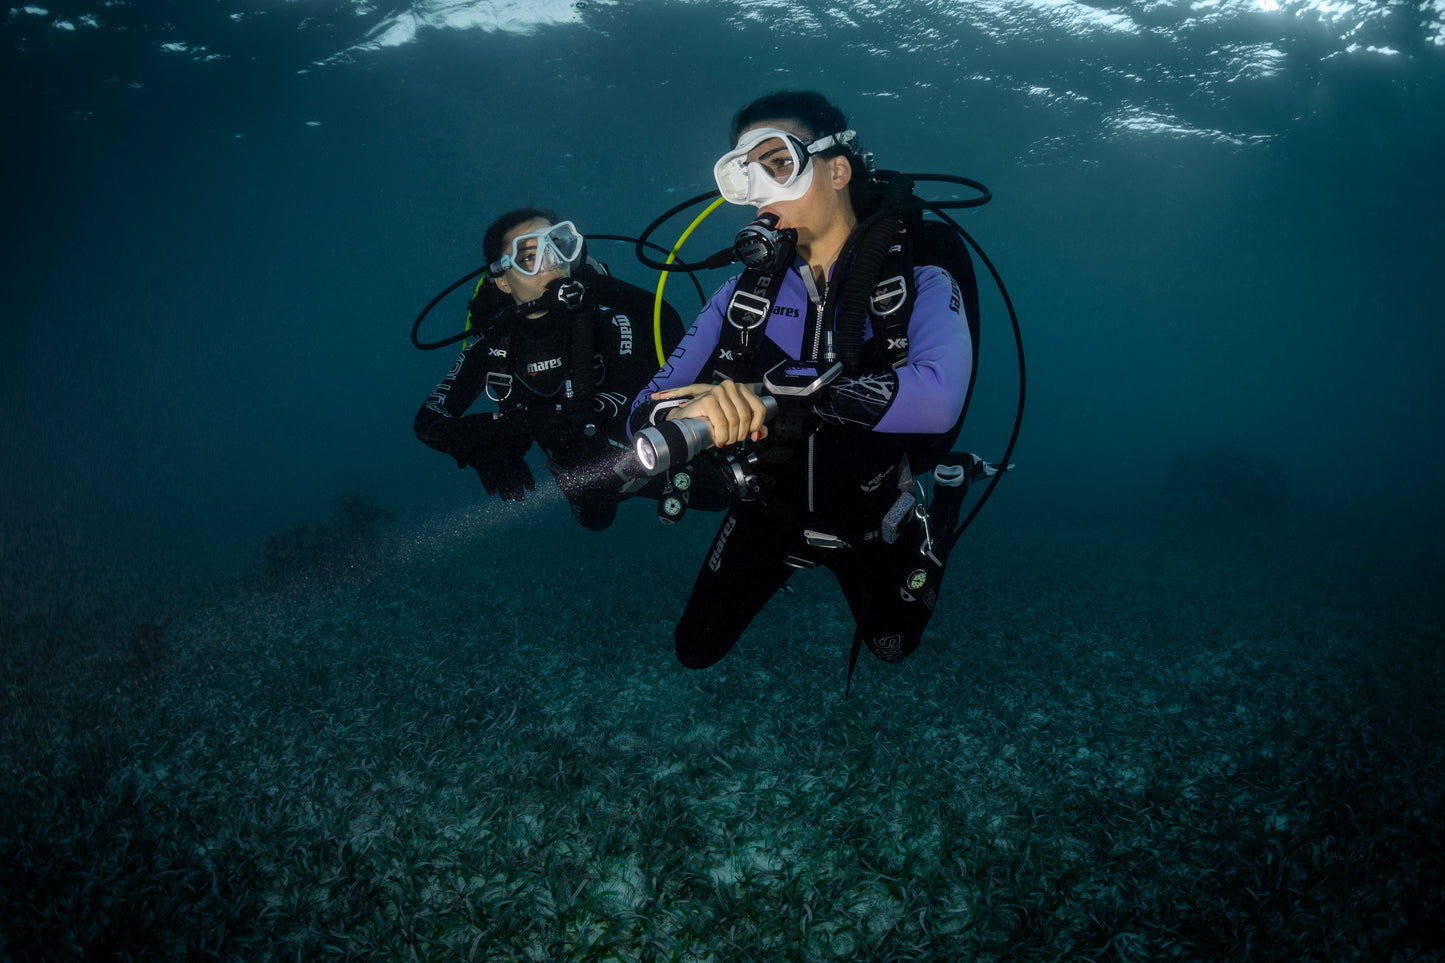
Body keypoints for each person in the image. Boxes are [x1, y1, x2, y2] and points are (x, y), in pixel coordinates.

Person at [628, 91, 974, 686]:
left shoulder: (921, 277)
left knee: (892, 646)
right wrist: (692, 412)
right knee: (694, 649)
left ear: (838, 169)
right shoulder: (740, 296)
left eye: (778, 163)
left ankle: (942, 507)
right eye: (744, 174)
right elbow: (642, 410)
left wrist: (772, 396)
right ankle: (790, 553)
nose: (761, 191)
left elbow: (940, 398)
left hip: (873, 513)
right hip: (767, 507)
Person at [416, 209, 681, 530]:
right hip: (582, 472)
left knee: (717, 491)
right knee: (595, 516)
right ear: (501, 279)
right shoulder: (493, 347)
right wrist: (475, 451)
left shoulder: (610, 321)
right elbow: (429, 418)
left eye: (558, 246)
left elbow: (627, 403)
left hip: (650, 449)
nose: (552, 261)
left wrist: (504, 428)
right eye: (530, 256)